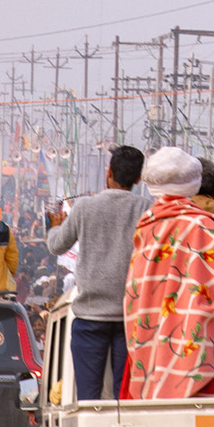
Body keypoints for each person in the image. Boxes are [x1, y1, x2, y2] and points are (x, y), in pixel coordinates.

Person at [123, 147, 214, 399]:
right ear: (193, 183)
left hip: (152, 344)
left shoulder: (146, 227)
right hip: (202, 348)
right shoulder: (204, 225)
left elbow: (138, 291)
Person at [46, 145, 149, 401]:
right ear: (138, 178)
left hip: (90, 317)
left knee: (89, 398)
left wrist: (54, 228)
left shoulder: (84, 208)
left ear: (109, 172)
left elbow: (57, 245)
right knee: (125, 397)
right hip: (130, 319)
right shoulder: (148, 210)